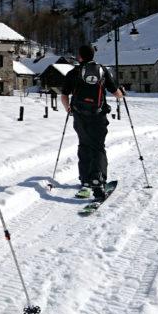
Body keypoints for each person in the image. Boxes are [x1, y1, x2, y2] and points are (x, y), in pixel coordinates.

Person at [60, 45, 123, 201]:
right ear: (93, 55)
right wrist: (121, 94)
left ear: (80, 57)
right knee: (98, 147)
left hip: (80, 116)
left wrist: (69, 109)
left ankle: (85, 180)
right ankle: (98, 180)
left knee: (84, 145)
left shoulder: (73, 72)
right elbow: (116, 93)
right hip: (98, 116)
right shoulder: (102, 71)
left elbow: (64, 95)